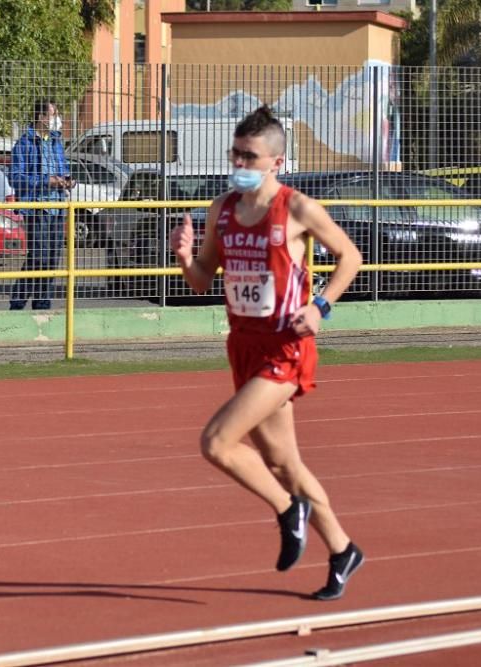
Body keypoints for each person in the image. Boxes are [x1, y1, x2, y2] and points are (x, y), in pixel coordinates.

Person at [169, 106, 364, 601]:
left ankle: (286, 510)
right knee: (285, 464)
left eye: (250, 156)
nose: (240, 162)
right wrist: (186, 258)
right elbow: (202, 282)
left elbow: (351, 256)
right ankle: (342, 550)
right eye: (235, 153)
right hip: (243, 346)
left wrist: (320, 306)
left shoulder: (297, 208)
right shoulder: (222, 210)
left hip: (286, 346)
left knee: (216, 442)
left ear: (276, 161)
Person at [8, 99, 75, 310]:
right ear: (41, 117)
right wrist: (46, 180)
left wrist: (66, 180)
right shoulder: (24, 144)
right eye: (53, 115)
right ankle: (17, 304)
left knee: (52, 260)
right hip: (37, 208)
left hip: (57, 208)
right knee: (38, 257)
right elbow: (15, 178)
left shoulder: (56, 142)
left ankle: (42, 305)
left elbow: (62, 167)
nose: (57, 120)